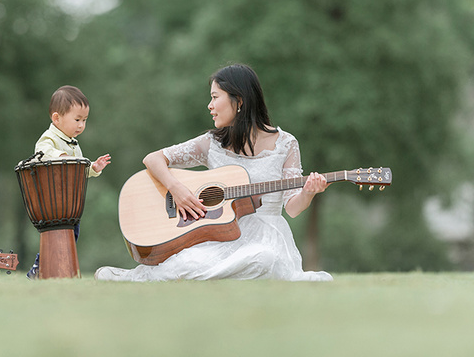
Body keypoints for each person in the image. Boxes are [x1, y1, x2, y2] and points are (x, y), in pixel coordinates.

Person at [94, 64, 333, 282]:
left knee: (264, 259)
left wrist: (309, 192)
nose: (209, 105)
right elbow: (153, 159)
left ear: (238, 101)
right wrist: (176, 189)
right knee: (188, 262)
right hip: (220, 238)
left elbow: (292, 208)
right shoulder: (212, 143)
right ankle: (146, 276)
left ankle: (162, 277)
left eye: (215, 97)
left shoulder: (286, 143)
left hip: (266, 239)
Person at [26, 85, 111, 278]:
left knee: (71, 236)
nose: (81, 125)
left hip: (69, 203)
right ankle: (39, 267)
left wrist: (93, 168)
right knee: (55, 236)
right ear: (57, 118)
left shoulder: (73, 143)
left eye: (85, 120)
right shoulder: (49, 139)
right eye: (77, 119)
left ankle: (60, 269)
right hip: (52, 200)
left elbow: (77, 169)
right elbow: (43, 153)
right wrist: (61, 155)